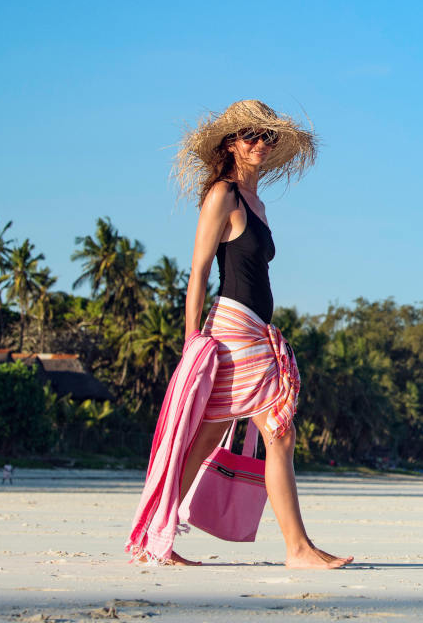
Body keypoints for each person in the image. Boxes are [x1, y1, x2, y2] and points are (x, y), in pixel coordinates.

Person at [126, 100, 350, 569]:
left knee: (210, 436)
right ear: (230, 143)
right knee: (276, 429)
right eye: (251, 136)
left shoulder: (258, 203)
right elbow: (199, 271)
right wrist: (192, 341)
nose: (261, 144)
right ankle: (297, 549)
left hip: (256, 327)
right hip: (230, 329)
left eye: (267, 137)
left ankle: (155, 537)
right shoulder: (222, 195)